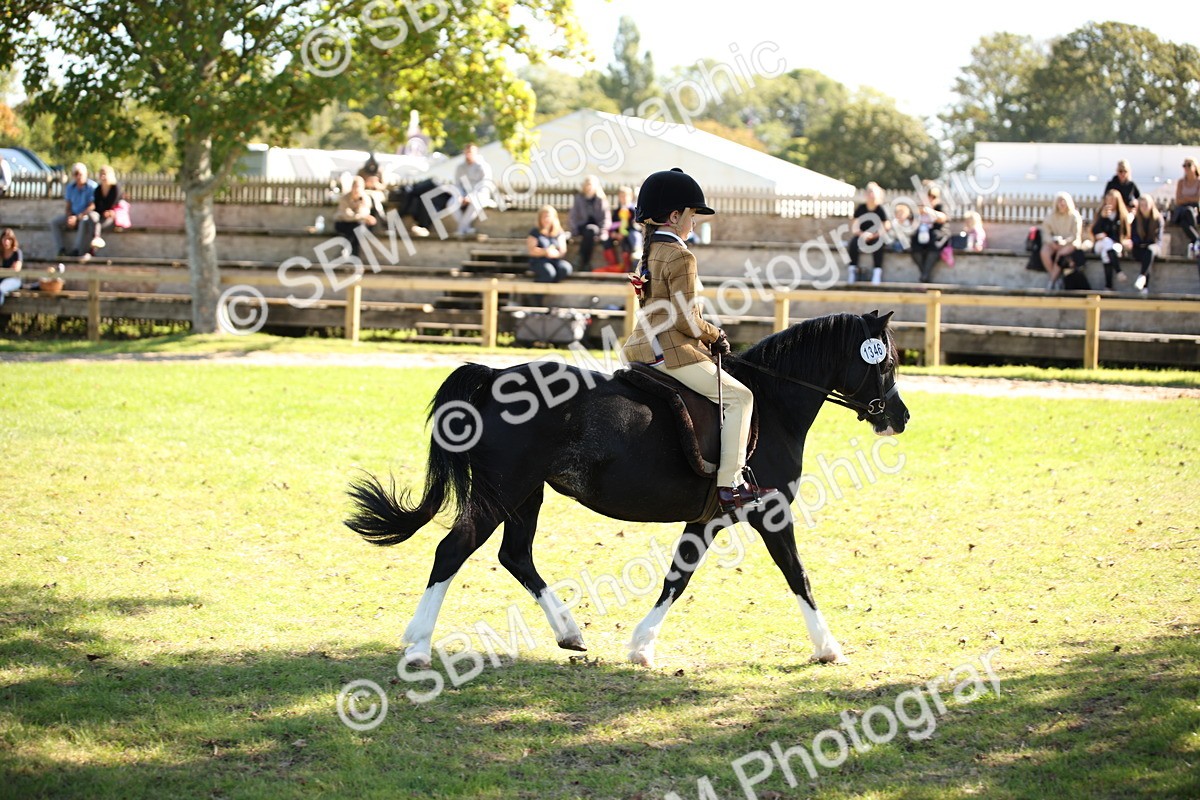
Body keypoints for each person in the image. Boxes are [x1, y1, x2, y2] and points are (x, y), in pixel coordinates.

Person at [620, 167, 776, 514]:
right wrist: (716, 334)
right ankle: (730, 485)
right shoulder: (681, 255)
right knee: (741, 398)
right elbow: (687, 320)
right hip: (671, 351)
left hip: (640, 346)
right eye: (692, 216)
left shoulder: (649, 251)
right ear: (675, 216)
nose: (694, 223)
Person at [845, 182, 891, 284]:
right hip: (862, 236)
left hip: (876, 236)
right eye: (869, 192)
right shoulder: (861, 208)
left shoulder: (881, 209)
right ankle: (852, 271)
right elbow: (854, 226)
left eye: (873, 192)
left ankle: (877, 273)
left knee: (878, 244)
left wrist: (874, 235)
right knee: (853, 244)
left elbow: (886, 226)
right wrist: (862, 234)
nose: (871, 195)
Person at [50, 162, 98, 260]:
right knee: (54, 222)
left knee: (83, 222)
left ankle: (77, 249)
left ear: (85, 174)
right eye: (76, 174)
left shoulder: (92, 187)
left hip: (85, 215)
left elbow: (92, 206)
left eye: (80, 174)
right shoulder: (70, 188)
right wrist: (69, 217)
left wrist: (78, 217)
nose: (78, 176)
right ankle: (61, 249)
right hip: (73, 215)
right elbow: (68, 205)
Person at [568, 175, 611, 271]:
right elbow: (573, 215)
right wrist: (573, 230)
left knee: (591, 230)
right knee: (589, 231)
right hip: (581, 227)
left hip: (596, 228)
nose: (588, 187)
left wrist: (603, 232)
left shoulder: (600, 199)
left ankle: (582, 259)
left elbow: (606, 218)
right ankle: (585, 262)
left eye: (590, 185)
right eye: (587, 184)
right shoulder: (579, 198)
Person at [1040, 192, 1083, 289]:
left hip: (1071, 243)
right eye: (1059, 201)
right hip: (1054, 243)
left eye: (1064, 202)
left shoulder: (1075, 216)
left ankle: (1051, 281)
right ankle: (1056, 278)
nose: (1062, 204)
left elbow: (1075, 235)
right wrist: (1051, 242)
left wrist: (1065, 242)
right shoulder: (1050, 216)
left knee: (1061, 254)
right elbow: (1045, 233)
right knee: (1044, 252)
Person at [451, 143, 493, 237]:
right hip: (463, 194)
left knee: (474, 203)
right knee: (451, 203)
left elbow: (484, 185)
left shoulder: (483, 166)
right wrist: (460, 196)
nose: (468, 155)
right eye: (466, 152)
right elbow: (458, 184)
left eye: (470, 152)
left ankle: (461, 229)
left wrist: (470, 197)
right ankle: (466, 227)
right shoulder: (460, 167)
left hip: (479, 195)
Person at [1091, 190, 1130, 289]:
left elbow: (1125, 233)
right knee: (1106, 242)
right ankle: (1119, 271)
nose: (1110, 203)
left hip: (1115, 245)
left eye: (1112, 200)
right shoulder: (1100, 213)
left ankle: (1108, 286)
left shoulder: (1121, 215)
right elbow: (1094, 231)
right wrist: (1102, 218)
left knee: (1106, 253)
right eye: (1108, 200)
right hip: (1100, 243)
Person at [909, 184, 949, 283]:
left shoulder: (939, 206)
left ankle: (924, 276)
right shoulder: (919, 208)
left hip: (935, 235)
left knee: (935, 243)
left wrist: (929, 211)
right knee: (915, 246)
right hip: (921, 235)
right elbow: (910, 220)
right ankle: (925, 275)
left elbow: (943, 218)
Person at [526, 205, 572, 285]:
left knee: (566, 268)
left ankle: (551, 288)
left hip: (555, 259)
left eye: (548, 217)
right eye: (544, 217)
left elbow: (562, 250)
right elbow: (532, 250)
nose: (546, 219)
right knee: (549, 272)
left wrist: (555, 253)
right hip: (539, 260)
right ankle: (536, 295)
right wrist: (545, 252)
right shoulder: (535, 232)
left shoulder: (559, 232)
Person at [334, 175, 377, 259]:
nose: (357, 189)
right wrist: (360, 217)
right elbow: (346, 215)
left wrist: (359, 207)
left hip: (356, 225)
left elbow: (364, 212)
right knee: (356, 228)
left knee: (357, 228)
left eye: (359, 187)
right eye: (355, 186)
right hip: (343, 223)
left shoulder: (365, 199)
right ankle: (354, 257)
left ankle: (347, 250)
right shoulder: (344, 198)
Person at [601, 185, 642, 272]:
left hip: (630, 233)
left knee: (627, 241)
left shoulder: (634, 210)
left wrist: (623, 233)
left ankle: (628, 267)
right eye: (621, 196)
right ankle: (613, 265)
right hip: (619, 234)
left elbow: (635, 225)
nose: (623, 198)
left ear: (630, 196)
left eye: (625, 195)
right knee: (606, 241)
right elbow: (612, 224)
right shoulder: (616, 211)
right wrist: (614, 233)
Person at [1129, 195, 1164, 294]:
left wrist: (1144, 244)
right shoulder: (1136, 220)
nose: (1144, 207)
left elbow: (1156, 239)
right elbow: (1134, 237)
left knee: (1149, 251)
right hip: (1140, 247)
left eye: (1146, 205)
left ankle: (1142, 277)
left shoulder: (1157, 219)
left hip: (1154, 247)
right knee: (1145, 255)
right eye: (1142, 205)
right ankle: (1144, 286)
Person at [89, 165, 121, 252]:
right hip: (99, 215)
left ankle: (92, 249)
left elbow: (114, 204)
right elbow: (96, 206)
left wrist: (109, 212)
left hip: (111, 218)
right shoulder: (98, 189)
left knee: (96, 224)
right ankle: (87, 247)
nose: (103, 177)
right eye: (101, 174)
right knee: (91, 219)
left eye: (105, 174)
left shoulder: (115, 188)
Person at [1173, 157, 1199, 257]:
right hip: (1182, 210)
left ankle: (1195, 241)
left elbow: (1198, 199)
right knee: (1186, 212)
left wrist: (1185, 198)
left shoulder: (1198, 182)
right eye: (1184, 165)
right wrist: (1190, 198)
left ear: (1195, 167)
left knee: (1187, 215)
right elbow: (1178, 200)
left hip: (1194, 210)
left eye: (1189, 165)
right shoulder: (1181, 182)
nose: (1186, 168)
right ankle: (1197, 240)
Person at [357, 154, 388, 223]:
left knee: (374, 198)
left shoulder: (380, 171)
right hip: (365, 193)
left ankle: (381, 216)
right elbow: (357, 182)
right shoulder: (362, 171)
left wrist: (376, 184)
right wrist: (366, 184)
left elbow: (384, 186)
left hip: (377, 193)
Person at [0, 228, 22, 306]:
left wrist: (5, 270)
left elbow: (16, 269)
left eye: (9, 239)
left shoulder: (16, 253)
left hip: (13, 279)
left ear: (13, 240)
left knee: (0, 289)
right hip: (1, 278)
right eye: (5, 239)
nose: (6, 242)